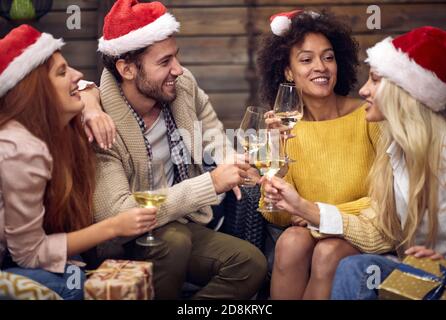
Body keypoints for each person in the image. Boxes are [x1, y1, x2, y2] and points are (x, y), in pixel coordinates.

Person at [93, 0, 267, 300]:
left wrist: (230, 161)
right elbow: (117, 214)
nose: (178, 69)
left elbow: (210, 127)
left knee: (250, 264)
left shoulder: (181, 86)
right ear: (127, 69)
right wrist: (211, 183)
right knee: (174, 241)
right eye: (164, 62)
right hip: (129, 239)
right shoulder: (101, 125)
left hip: (185, 222)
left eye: (176, 56)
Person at [0, 24, 158, 300]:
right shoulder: (20, 148)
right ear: (35, 92)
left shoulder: (56, 131)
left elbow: (88, 86)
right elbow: (28, 253)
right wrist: (114, 226)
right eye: (62, 72)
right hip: (12, 266)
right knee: (74, 285)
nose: (77, 75)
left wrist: (92, 108)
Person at [257, 9, 380, 299]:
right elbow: (274, 215)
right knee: (290, 241)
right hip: (308, 230)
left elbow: (388, 200)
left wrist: (312, 210)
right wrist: (276, 151)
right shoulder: (283, 126)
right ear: (288, 71)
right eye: (306, 59)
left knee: (328, 251)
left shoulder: (369, 117)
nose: (321, 67)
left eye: (328, 57)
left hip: (363, 230)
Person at [328, 26, 446, 300]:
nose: (363, 90)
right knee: (356, 268)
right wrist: (311, 212)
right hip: (420, 273)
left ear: (403, 92)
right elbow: (381, 229)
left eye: (374, 80)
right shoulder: (395, 151)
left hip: (444, 275)